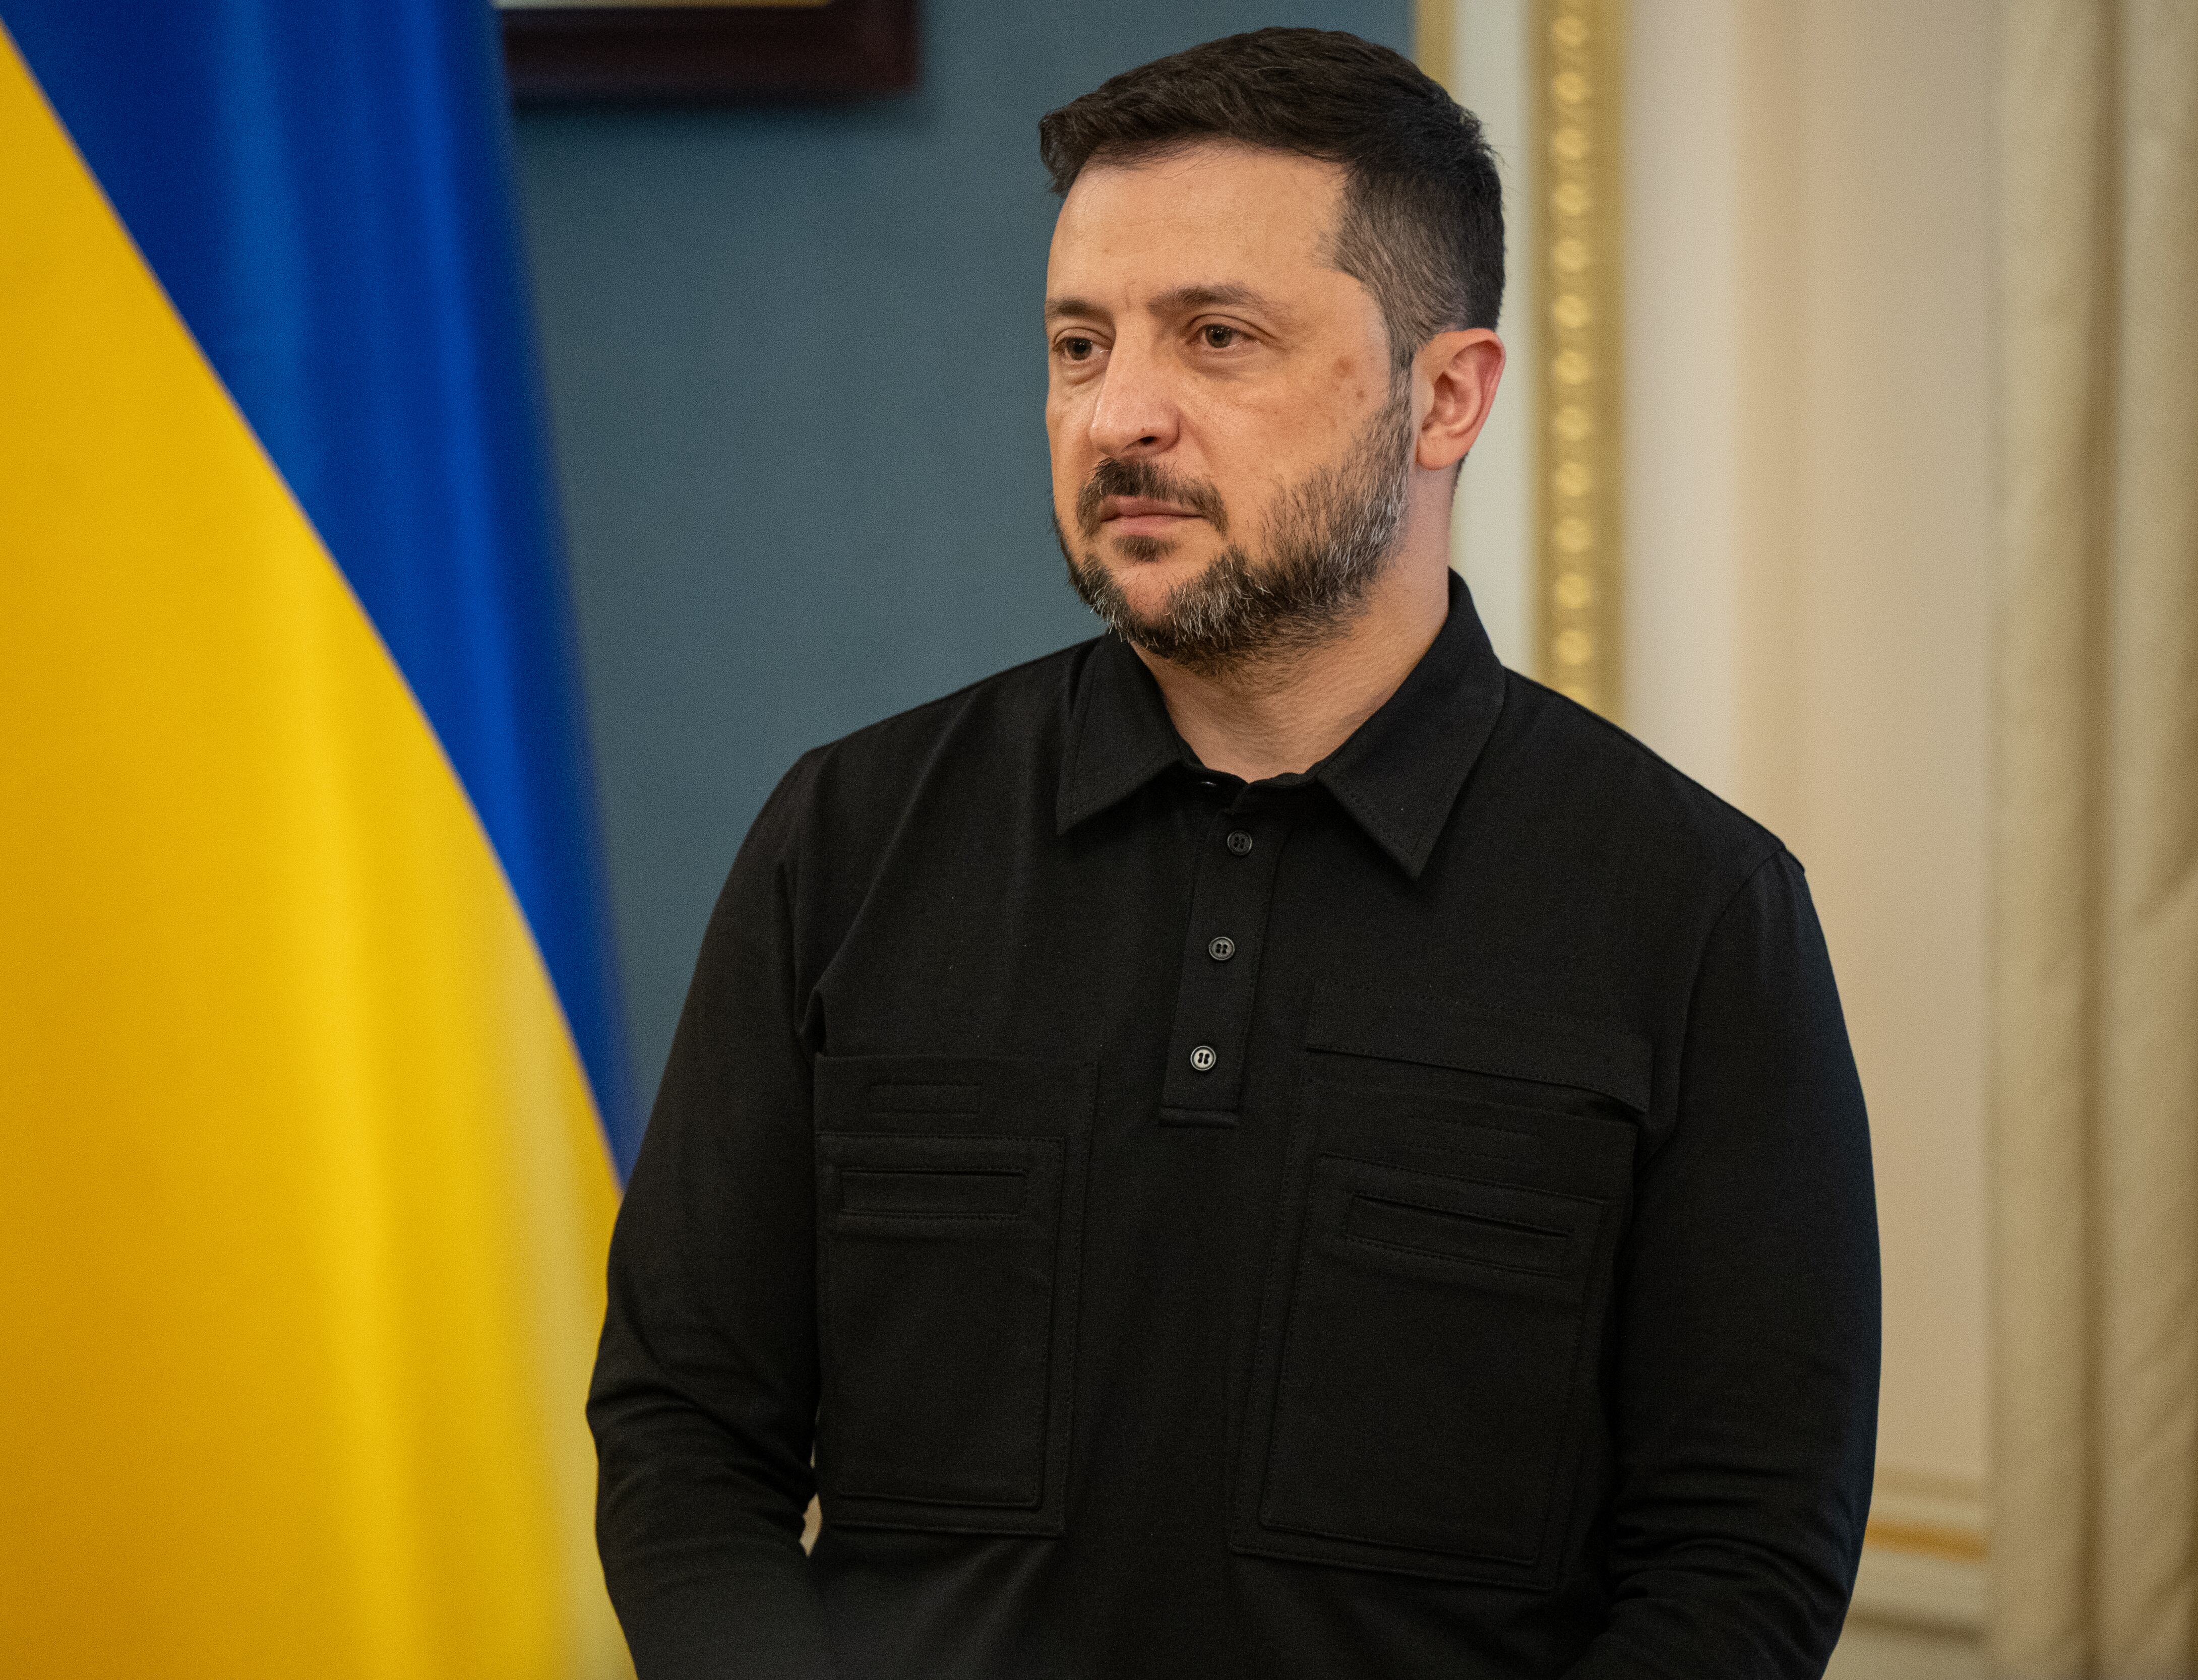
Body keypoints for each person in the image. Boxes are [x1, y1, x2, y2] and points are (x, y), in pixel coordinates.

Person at [588, 27, 1879, 1680]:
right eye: (1077, 344)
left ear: (1448, 394)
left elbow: (1741, 1563)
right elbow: (689, 1435)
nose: (1119, 414)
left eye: (1216, 337)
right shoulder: (844, 842)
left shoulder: (1698, 913)